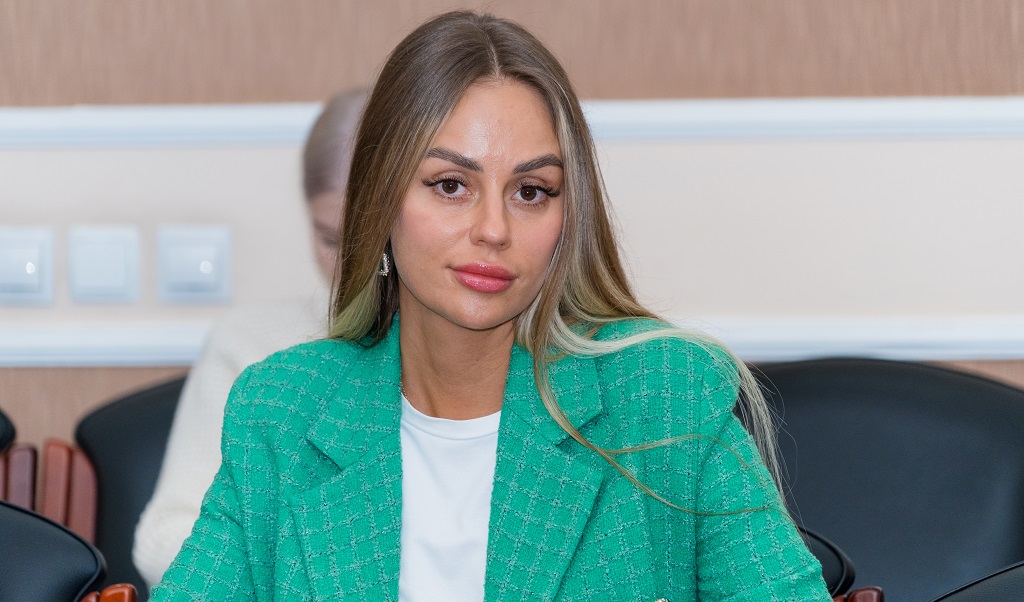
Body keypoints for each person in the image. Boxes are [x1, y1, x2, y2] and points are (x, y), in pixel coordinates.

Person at [151, 11, 831, 601]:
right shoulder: (282, 409)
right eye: (451, 184)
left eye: (531, 191)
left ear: (567, 216)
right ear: (382, 201)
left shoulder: (665, 394)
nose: (494, 229)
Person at [133, 89, 368, 588]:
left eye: (371, 238)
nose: (351, 266)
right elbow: (163, 540)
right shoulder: (244, 345)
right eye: (330, 239)